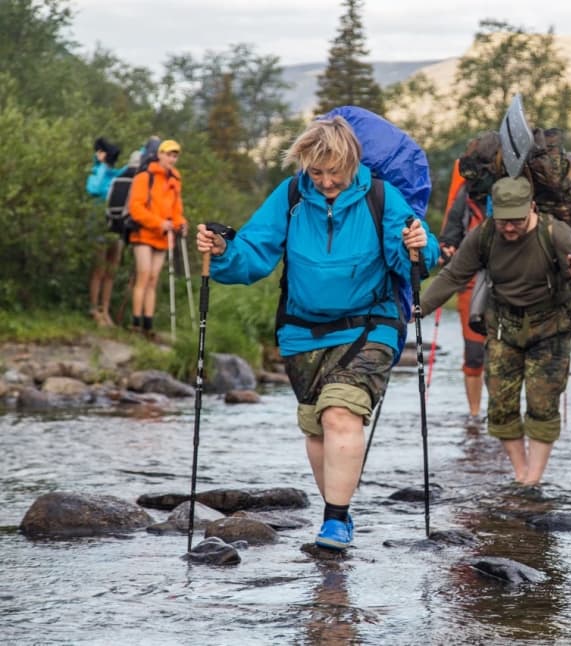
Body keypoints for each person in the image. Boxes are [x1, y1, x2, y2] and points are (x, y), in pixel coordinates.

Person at [195, 117, 437, 551]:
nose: (326, 181)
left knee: (339, 414)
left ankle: (335, 520)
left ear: (352, 161)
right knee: (317, 428)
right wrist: (224, 250)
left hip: (370, 326)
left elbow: (414, 260)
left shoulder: (382, 196)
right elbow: (254, 252)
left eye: (334, 172)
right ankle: (337, 510)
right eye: (317, 172)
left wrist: (418, 246)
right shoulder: (290, 196)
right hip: (302, 332)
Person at [421, 177, 571, 486]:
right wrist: (417, 308)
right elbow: (452, 276)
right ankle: (521, 473)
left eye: (516, 221)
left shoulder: (554, 233)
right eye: (503, 221)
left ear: (531, 208)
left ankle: (533, 478)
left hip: (550, 329)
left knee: (542, 405)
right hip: (504, 328)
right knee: (501, 407)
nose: (509, 228)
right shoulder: (484, 235)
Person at [438, 131, 503, 427]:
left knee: (502, 351)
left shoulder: (517, 190)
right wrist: (446, 250)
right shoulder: (465, 194)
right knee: (475, 353)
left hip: (509, 279)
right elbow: (450, 234)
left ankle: (500, 415)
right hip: (471, 281)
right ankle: (476, 417)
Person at [128, 138, 187, 340]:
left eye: (174, 155)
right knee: (143, 275)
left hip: (163, 237)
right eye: (168, 154)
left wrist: (180, 223)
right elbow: (136, 208)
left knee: (153, 279)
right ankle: (135, 323)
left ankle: (148, 323)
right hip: (144, 234)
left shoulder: (175, 181)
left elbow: (176, 210)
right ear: (159, 154)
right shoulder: (145, 177)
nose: (171, 159)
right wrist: (158, 223)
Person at [85, 137, 124, 326]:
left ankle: (105, 309)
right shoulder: (95, 173)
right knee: (99, 269)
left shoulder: (117, 174)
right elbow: (93, 190)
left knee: (111, 269)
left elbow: (136, 167)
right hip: (99, 225)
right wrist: (100, 165)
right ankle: (94, 309)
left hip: (116, 225)